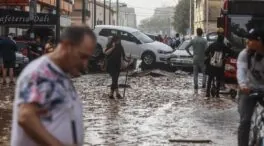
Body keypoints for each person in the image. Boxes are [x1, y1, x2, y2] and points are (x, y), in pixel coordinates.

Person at [11, 26, 96, 146]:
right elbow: (25, 116)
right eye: (82, 56)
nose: (85, 64)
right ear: (67, 46)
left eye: (88, 58)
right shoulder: (39, 72)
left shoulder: (61, 75)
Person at [237, 28, 264, 146]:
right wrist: (243, 85)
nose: (247, 42)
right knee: (245, 121)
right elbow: (241, 71)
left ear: (259, 41)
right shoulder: (244, 54)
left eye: (250, 39)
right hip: (248, 90)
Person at [205, 28, 233, 98]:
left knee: (210, 79)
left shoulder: (212, 45)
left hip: (212, 65)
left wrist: (210, 55)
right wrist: (225, 57)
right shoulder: (224, 46)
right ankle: (217, 94)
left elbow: (206, 52)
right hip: (220, 66)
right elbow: (231, 52)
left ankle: (207, 93)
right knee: (218, 79)